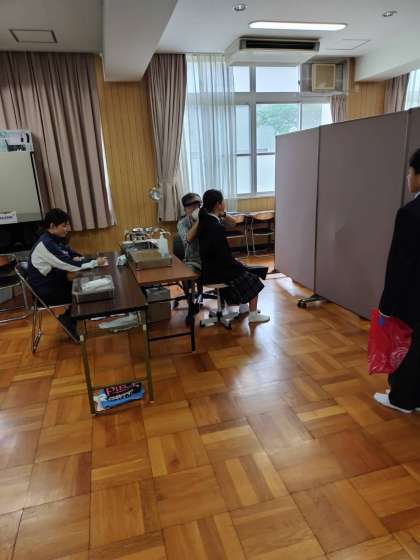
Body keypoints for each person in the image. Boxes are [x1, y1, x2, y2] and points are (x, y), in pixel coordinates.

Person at [374, 148, 420, 412]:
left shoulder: (410, 213)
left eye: (410, 172)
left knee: (407, 346)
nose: (408, 177)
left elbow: (399, 265)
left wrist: (386, 305)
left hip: (412, 295)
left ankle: (401, 399)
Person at [27, 208, 106, 340]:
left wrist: (86, 259)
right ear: (52, 226)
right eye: (64, 226)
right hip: (46, 292)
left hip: (53, 284)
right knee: (86, 291)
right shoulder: (46, 244)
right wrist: (94, 263)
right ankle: (69, 320)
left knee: (84, 284)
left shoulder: (52, 239)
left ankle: (69, 318)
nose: (67, 229)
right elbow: (69, 264)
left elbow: (69, 253)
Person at [197, 189, 270, 323]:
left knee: (245, 269)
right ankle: (253, 315)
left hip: (208, 269)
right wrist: (238, 264)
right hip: (218, 271)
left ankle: (244, 308)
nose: (224, 203)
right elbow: (223, 257)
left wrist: (236, 263)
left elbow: (221, 252)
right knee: (253, 278)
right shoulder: (215, 226)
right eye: (223, 201)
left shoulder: (205, 221)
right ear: (218, 204)